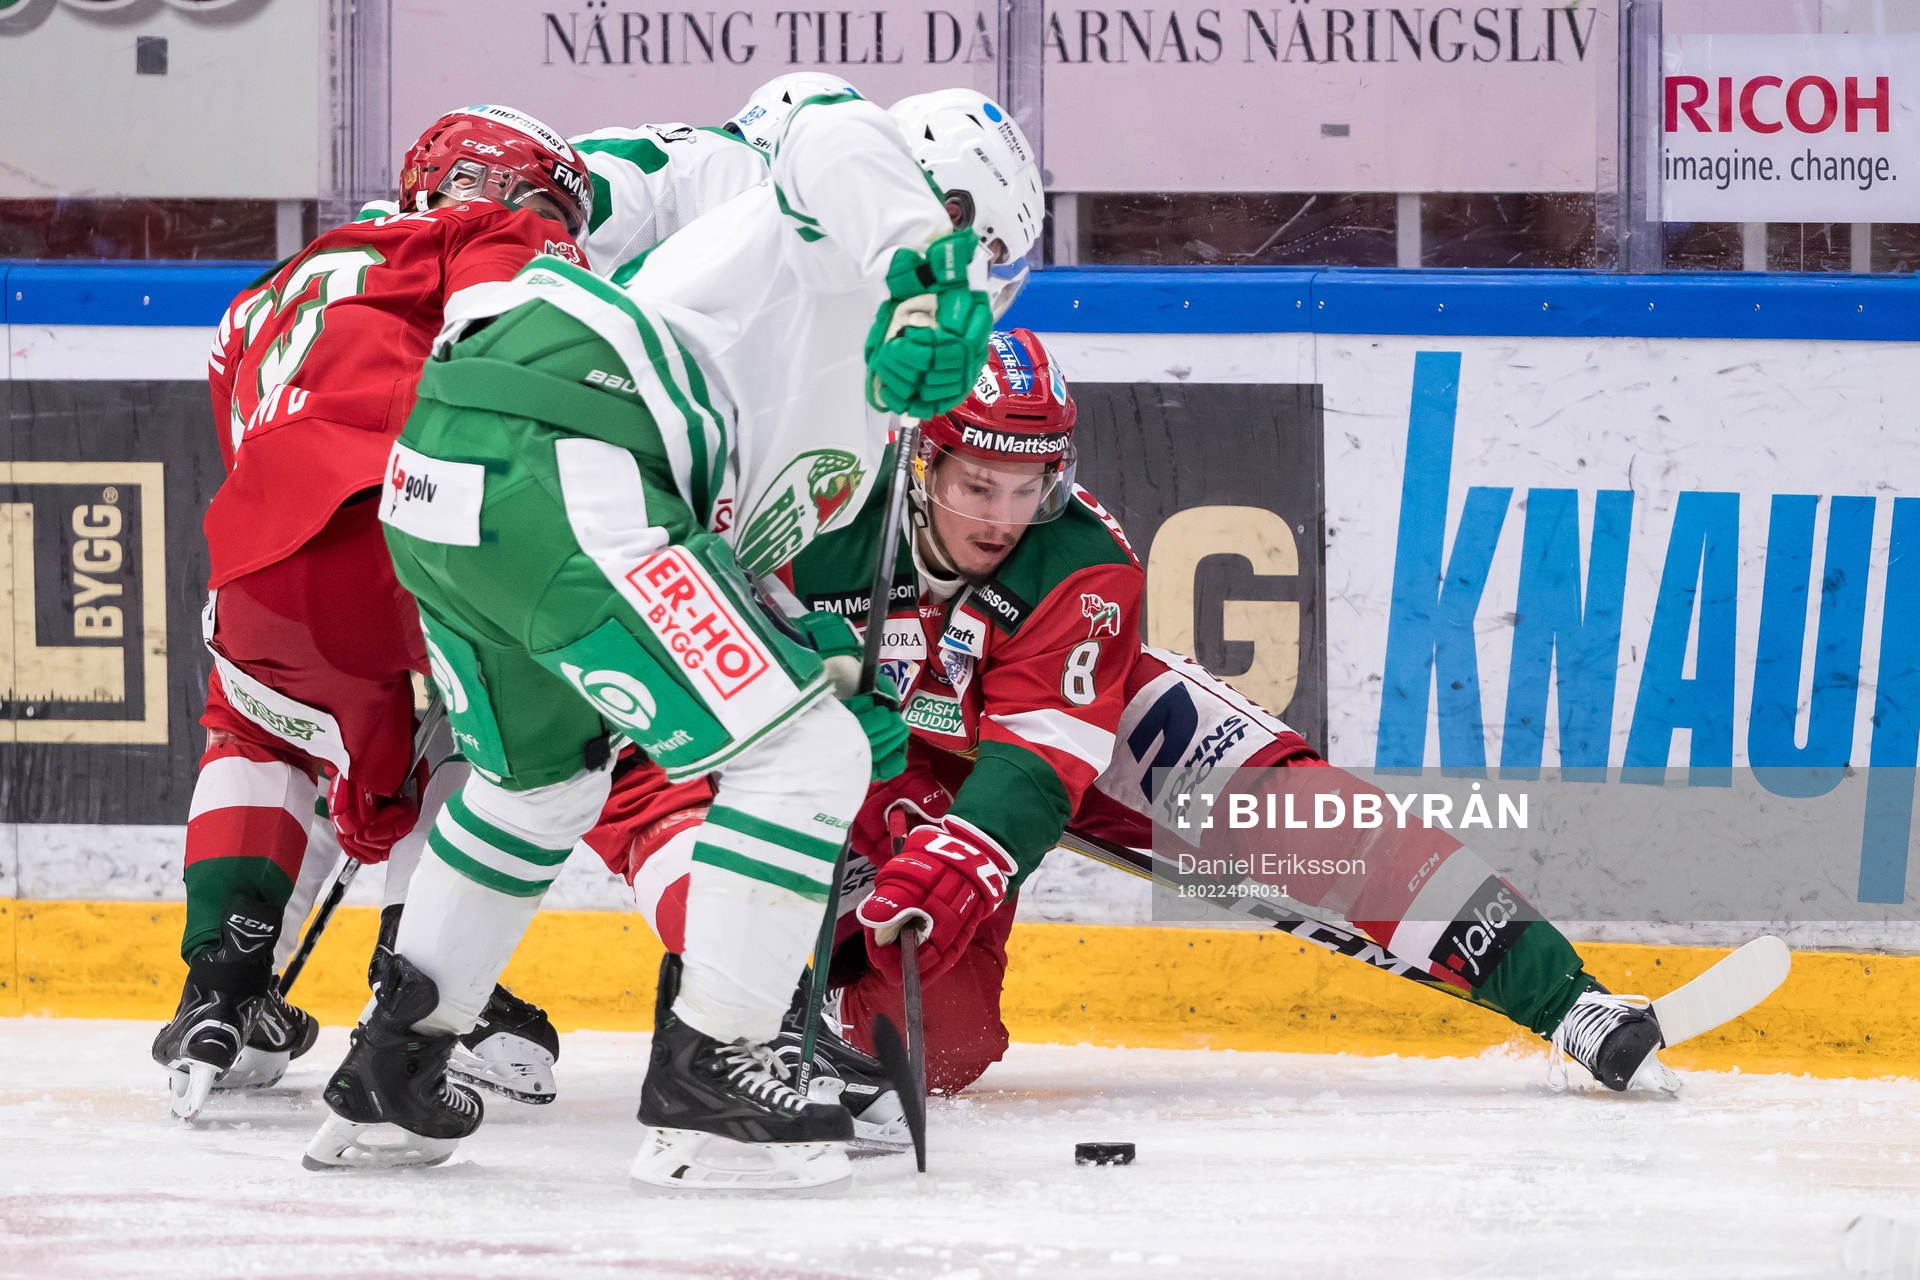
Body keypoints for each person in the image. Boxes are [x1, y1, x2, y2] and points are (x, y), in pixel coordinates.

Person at [584, 327, 1681, 1110]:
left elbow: (1038, 765)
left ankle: (1565, 998)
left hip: (1025, 731)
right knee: (927, 1037)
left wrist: (963, 862)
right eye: (977, 485)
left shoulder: (1082, 563)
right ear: (919, 458)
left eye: (1029, 487)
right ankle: (760, 1003)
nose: (1003, 518)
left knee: (1298, 819)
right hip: (849, 753)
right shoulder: (808, 507)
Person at [303, 87, 1037, 1193]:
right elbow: (829, 119)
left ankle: (393, 1066)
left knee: (538, 787)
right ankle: (714, 1082)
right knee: (806, 759)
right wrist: (924, 271)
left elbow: (712, 561)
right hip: (569, 451)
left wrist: (821, 666)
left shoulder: (850, 400)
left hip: (457, 473)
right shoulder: (820, 213)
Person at [151, 105, 594, 1122]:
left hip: (256, 560)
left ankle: (221, 993)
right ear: (489, 186)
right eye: (548, 205)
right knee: (483, 733)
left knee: (253, 729)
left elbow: (251, 437)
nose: (557, 230)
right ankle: (428, 986)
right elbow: (506, 354)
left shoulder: (266, 292)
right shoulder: (486, 231)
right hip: (410, 523)